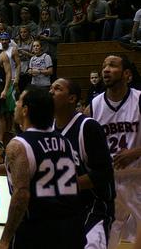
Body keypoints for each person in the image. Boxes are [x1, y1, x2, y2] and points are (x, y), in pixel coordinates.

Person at [0, 88, 83, 249]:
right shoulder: (64, 141)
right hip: (71, 225)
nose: (16, 105)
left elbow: (21, 194)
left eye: (19, 101)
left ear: (25, 110)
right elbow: (38, 169)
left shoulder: (18, 144)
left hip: (38, 228)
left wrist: (5, 240)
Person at [50, 78, 115, 248]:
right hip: (61, 209)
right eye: (50, 88)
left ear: (72, 98)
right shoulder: (47, 129)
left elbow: (104, 174)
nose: (50, 92)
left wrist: (63, 185)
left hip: (92, 207)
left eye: (57, 89)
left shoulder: (88, 127)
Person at [89, 55, 141, 249]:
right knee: (108, 239)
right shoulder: (94, 106)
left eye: (112, 65)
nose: (106, 70)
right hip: (110, 183)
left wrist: (135, 152)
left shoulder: (139, 99)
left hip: (138, 179)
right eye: (103, 66)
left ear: (127, 74)